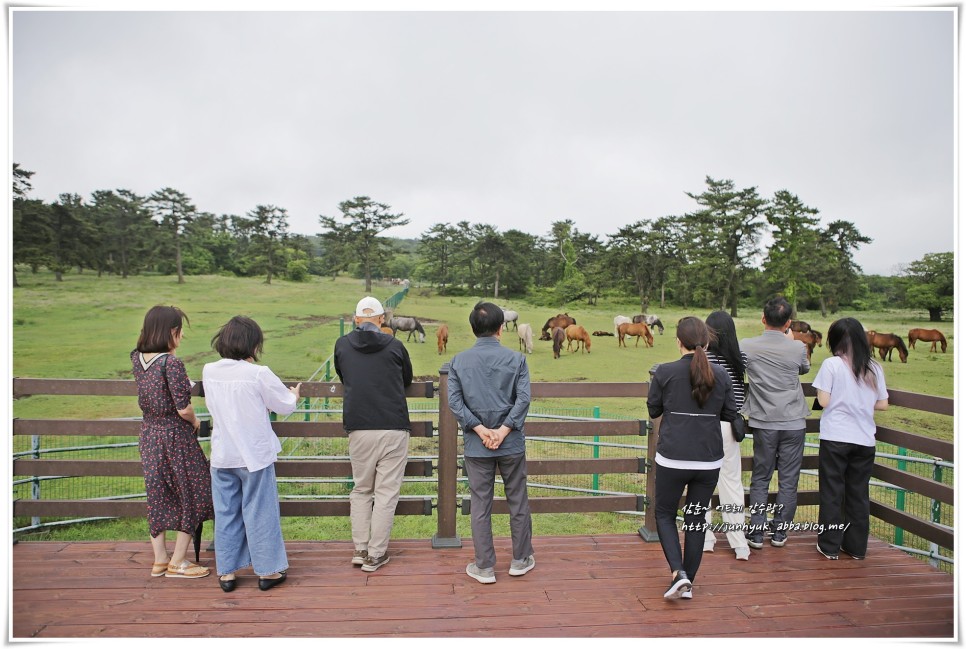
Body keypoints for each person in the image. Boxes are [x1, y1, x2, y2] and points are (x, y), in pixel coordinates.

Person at [202, 316, 300, 592]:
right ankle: (268, 571)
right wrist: (294, 395)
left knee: (226, 512)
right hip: (254, 456)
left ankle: (227, 572)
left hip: (222, 455)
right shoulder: (258, 373)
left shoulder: (209, 371)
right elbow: (283, 405)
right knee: (260, 511)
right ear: (252, 344)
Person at [647, 316, 737, 600]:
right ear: (708, 342)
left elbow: (653, 410)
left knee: (664, 513)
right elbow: (729, 413)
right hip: (708, 460)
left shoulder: (665, 371)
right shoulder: (721, 375)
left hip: (673, 457)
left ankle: (679, 574)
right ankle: (687, 583)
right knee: (696, 518)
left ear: (678, 342)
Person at [448, 301, 534, 584]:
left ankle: (484, 566)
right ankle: (520, 560)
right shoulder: (517, 360)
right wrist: (504, 430)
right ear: (501, 328)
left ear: (474, 329)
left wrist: (481, 430)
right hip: (510, 444)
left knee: (480, 504)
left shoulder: (458, 362)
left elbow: (455, 402)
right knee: (517, 500)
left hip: (477, 444)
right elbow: (523, 399)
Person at [131, 305, 214, 580]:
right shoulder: (171, 363)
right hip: (176, 437)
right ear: (171, 332)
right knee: (195, 491)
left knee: (158, 493)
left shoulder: (137, 358)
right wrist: (194, 422)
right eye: (179, 331)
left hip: (149, 434)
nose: (181, 336)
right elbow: (183, 407)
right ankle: (178, 561)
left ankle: (159, 560)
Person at [334, 296, 413, 572]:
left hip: (358, 426)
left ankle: (360, 548)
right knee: (386, 492)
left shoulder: (342, 345)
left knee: (361, 489)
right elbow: (407, 380)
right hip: (392, 425)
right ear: (381, 319)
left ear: (356, 319)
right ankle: (376, 553)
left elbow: (344, 376)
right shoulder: (395, 346)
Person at [812, 317, 888, 560]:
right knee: (858, 493)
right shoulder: (874, 367)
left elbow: (823, 401)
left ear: (836, 340)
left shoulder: (832, 364)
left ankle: (830, 546)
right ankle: (855, 548)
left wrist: (841, 399)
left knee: (832, 492)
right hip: (865, 439)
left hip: (836, 437)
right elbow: (883, 404)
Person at [740, 296, 810, 550]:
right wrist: (791, 341)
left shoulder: (747, 345)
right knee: (789, 479)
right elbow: (804, 370)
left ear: (762, 318)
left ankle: (756, 533)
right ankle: (780, 533)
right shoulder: (798, 347)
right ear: (789, 322)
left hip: (764, 421)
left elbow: (740, 367)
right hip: (794, 422)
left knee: (761, 476)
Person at [702, 311, 751, 561]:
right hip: (729, 427)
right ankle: (739, 542)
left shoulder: (702, 358)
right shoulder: (739, 358)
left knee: (702, 484)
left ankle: (706, 538)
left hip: (704, 427)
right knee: (732, 483)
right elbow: (741, 396)